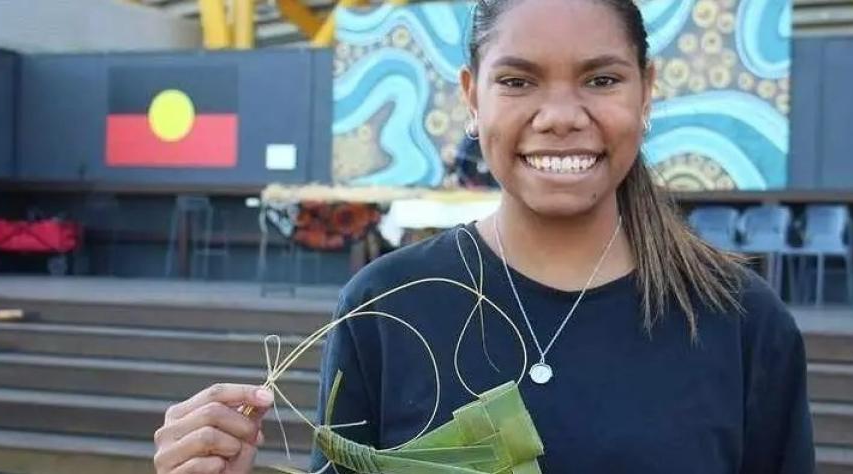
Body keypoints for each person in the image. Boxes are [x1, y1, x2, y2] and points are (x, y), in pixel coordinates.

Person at [152, 0, 814, 472]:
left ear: (646, 95)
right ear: (472, 99)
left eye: (602, 79)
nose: (559, 116)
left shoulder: (742, 323)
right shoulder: (382, 307)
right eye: (518, 81)